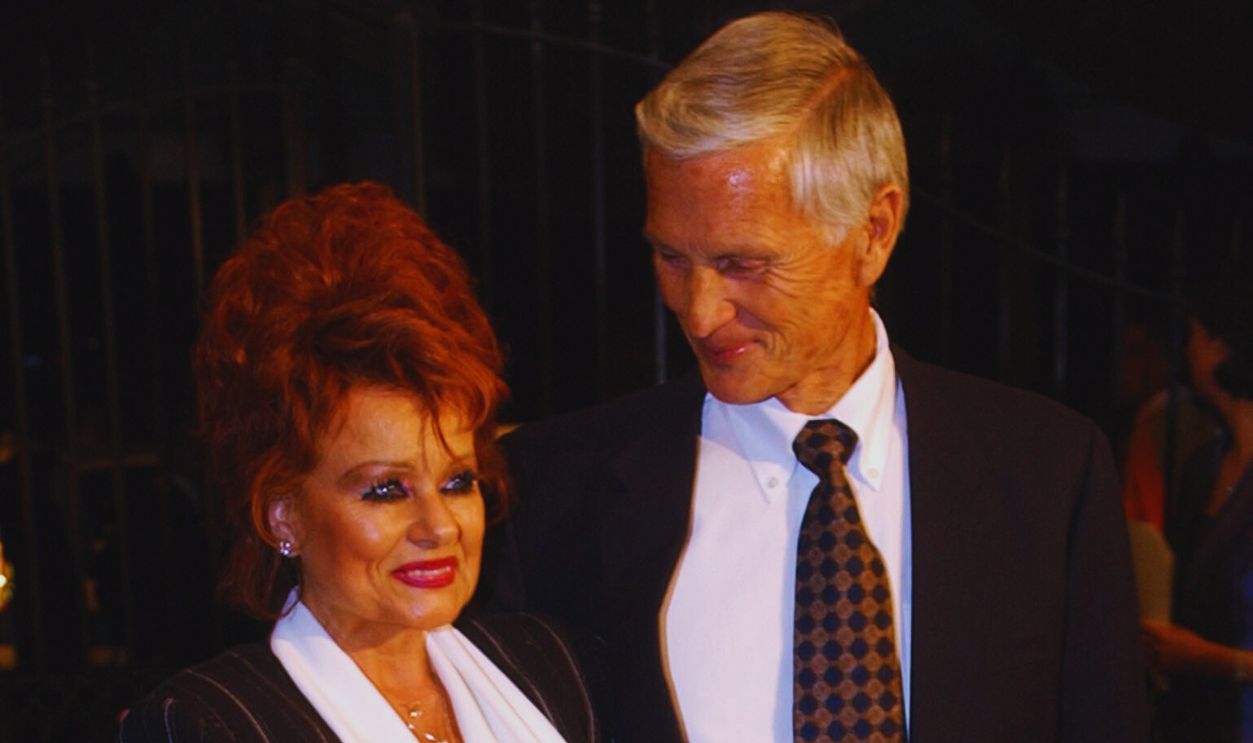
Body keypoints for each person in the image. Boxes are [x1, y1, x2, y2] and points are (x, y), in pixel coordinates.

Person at [483, 12, 1147, 742]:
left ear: (874, 231)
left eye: (743, 264)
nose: (699, 313)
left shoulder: (1048, 474)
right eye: (671, 258)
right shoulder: (550, 491)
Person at [119, 183, 596, 742]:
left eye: (457, 481)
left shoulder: (544, 666)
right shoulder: (208, 725)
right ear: (283, 515)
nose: (439, 526)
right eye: (387, 490)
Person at [1143, 265, 1253, 742]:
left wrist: (1209, 660)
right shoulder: (1205, 463)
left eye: (1195, 336)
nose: (1186, 351)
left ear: (1225, 345)